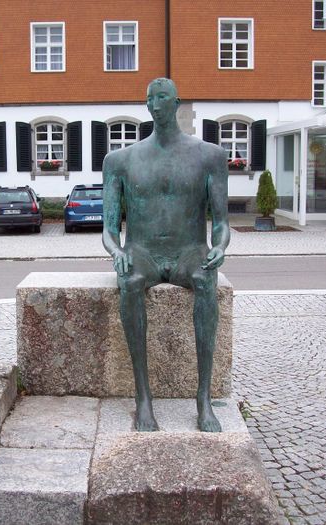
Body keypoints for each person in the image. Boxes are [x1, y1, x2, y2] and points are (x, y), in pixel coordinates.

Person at [102, 78, 230, 432]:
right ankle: (143, 397)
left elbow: (221, 223)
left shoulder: (210, 156)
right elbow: (109, 228)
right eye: (149, 99)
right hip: (142, 250)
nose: (155, 105)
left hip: (189, 249)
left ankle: (203, 397)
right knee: (129, 283)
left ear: (177, 102)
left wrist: (219, 247)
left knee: (205, 280)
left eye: (162, 98)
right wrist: (116, 252)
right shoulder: (120, 160)